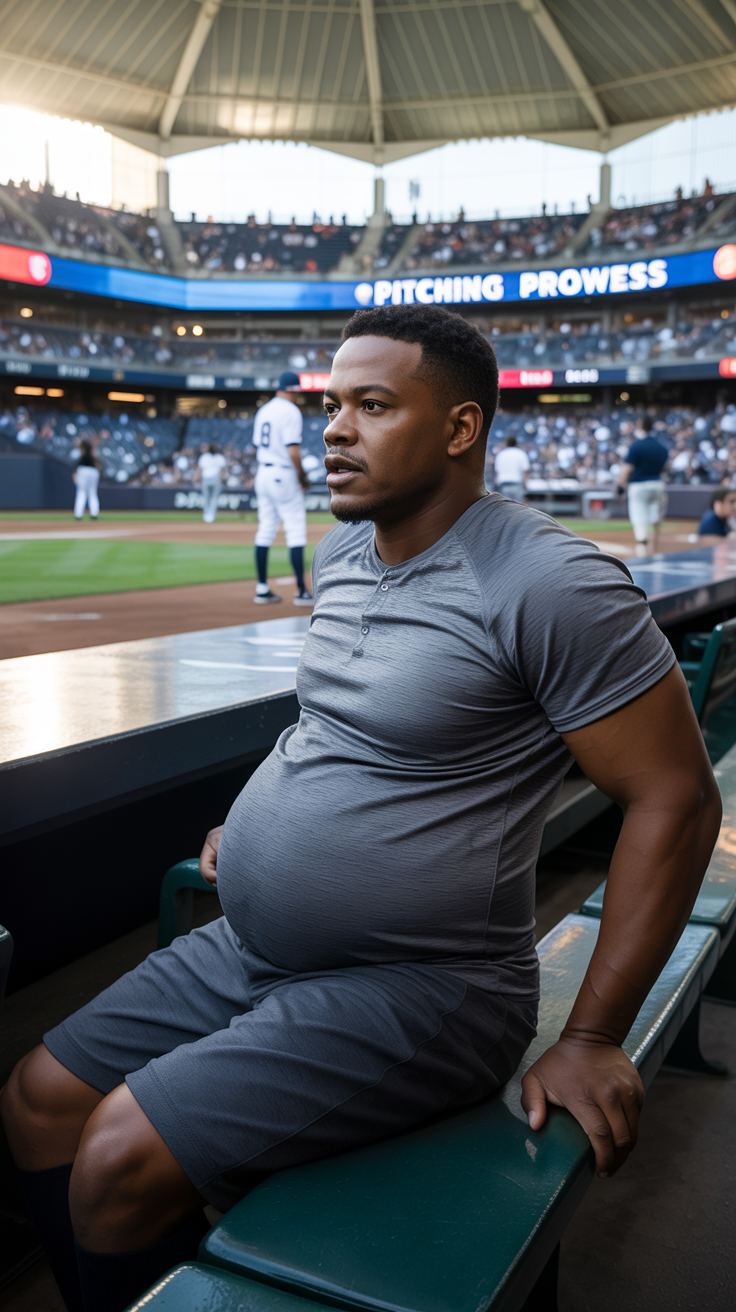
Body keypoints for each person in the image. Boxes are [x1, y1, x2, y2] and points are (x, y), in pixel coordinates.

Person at [1, 305, 721, 1312]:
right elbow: (340, 729)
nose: (334, 427)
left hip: (425, 984)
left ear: (461, 428)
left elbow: (676, 799)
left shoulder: (552, 580)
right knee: (38, 1099)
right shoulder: (343, 557)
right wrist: (259, 824)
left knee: (117, 1153)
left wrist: (593, 1035)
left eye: (371, 405)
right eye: (331, 404)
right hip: (257, 941)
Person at [253, 370, 313, 605]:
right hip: (283, 473)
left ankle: (261, 588)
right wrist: (303, 477)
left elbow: (258, 444)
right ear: (293, 390)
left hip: (263, 473)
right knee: (295, 529)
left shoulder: (264, 410)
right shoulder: (291, 411)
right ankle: (301, 590)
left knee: (265, 529)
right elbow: (292, 450)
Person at [616, 416, 668, 557]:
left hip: (639, 486)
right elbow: (666, 468)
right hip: (657, 484)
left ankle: (643, 545)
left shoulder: (636, 446)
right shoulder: (661, 447)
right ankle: (656, 546)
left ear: (641, 426)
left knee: (639, 519)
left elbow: (626, 470)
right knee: (654, 515)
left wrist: (621, 485)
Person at [494, 435, 529, 501]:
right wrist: (526, 484)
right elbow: (526, 470)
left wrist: (495, 486)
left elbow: (497, 472)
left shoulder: (501, 454)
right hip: (517, 485)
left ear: (506, 443)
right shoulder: (521, 453)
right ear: (516, 443)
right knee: (517, 509)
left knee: (505, 509)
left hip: (503, 485)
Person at [197, 444, 226, 524]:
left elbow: (224, 469)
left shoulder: (220, 457)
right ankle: (207, 514)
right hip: (206, 479)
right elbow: (199, 468)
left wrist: (223, 478)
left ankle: (211, 515)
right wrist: (197, 477)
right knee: (207, 498)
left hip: (216, 479)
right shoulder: (205, 456)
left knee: (214, 498)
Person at [72, 441, 100, 521]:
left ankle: (78, 514)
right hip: (93, 471)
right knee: (92, 493)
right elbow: (98, 464)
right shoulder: (93, 454)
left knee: (81, 492)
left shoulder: (83, 453)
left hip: (83, 470)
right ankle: (94, 513)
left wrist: (75, 474)